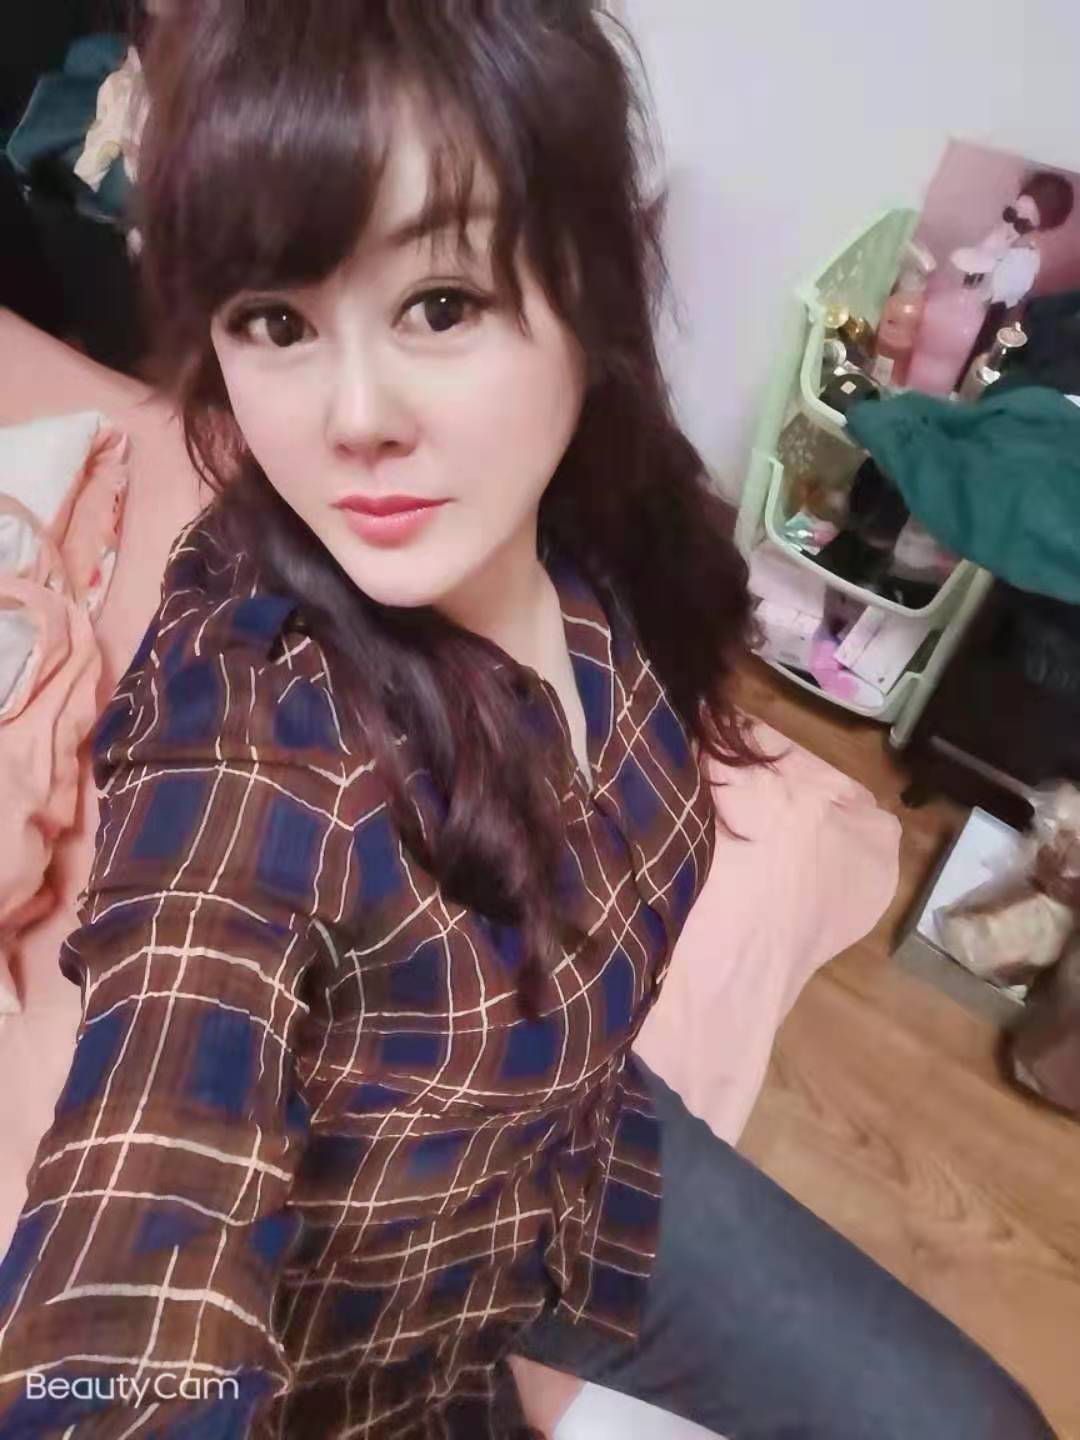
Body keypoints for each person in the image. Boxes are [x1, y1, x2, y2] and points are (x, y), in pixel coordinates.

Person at [0, 4, 1055, 1437]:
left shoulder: (605, 523)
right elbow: (129, 1267)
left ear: (585, 282)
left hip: (577, 1158)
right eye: (276, 322)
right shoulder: (253, 753)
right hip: (371, 1330)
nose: (355, 417)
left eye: (439, 304)